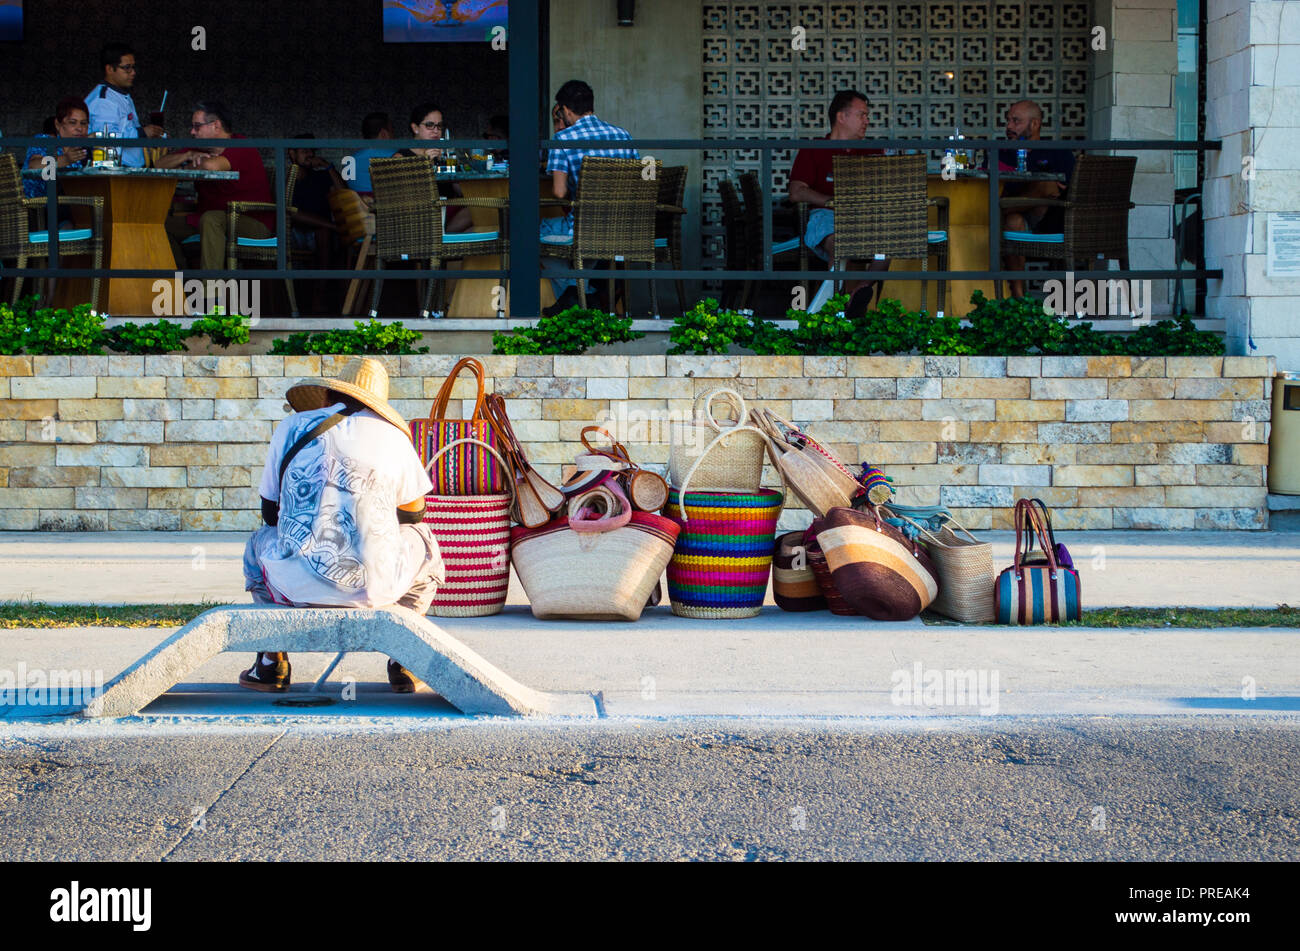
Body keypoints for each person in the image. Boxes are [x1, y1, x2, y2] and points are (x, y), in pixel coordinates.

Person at [240, 357, 445, 694]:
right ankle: (404, 658)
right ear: (379, 404)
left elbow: (270, 514)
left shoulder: (291, 427)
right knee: (424, 542)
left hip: (295, 587)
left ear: (329, 397)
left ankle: (270, 662)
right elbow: (414, 515)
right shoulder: (393, 436)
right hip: (376, 587)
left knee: (258, 543)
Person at [542, 79, 638, 316]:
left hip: (583, 230)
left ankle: (576, 294)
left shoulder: (563, 140)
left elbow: (559, 192)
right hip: (624, 229)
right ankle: (586, 295)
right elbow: (640, 182)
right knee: (585, 245)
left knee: (526, 234)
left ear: (564, 110)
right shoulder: (623, 135)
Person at [787, 89, 886, 318]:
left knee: (886, 248)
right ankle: (836, 309)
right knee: (841, 244)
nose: (867, 121)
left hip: (864, 218)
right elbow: (796, 192)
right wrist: (832, 202)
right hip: (826, 215)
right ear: (842, 117)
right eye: (862, 115)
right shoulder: (814, 149)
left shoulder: (873, 151)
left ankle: (856, 296)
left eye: (867, 116)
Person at [157, 101, 274, 277]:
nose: (192, 132)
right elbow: (159, 164)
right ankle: (181, 288)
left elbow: (212, 166)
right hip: (207, 219)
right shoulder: (197, 148)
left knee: (211, 219)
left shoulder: (241, 145)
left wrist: (185, 168)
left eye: (197, 127)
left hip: (252, 221)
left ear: (216, 126)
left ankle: (212, 298)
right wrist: (188, 155)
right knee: (159, 227)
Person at [1000, 99, 1077, 298]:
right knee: (1013, 219)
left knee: (1047, 185)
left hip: (1053, 222)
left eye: (1016, 121)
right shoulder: (1000, 153)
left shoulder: (1057, 152)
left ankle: (1001, 208)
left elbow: (1072, 190)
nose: (1009, 127)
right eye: (1008, 121)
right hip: (1013, 223)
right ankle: (1019, 297)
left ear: (1034, 124)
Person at [393, 102, 473, 234]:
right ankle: (439, 238)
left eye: (439, 126)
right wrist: (424, 163)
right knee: (481, 211)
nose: (436, 131)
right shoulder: (401, 157)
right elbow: (401, 194)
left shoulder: (442, 155)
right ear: (415, 128)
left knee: (484, 226)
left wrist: (454, 167)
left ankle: (443, 245)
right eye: (430, 125)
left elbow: (460, 190)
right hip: (423, 216)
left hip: (449, 211)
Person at [84, 42, 163, 168]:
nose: (133, 73)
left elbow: (126, 130)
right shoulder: (103, 100)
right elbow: (105, 138)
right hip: (114, 170)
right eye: (127, 68)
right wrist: (142, 133)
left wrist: (150, 135)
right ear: (109, 69)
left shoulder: (121, 95)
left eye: (133, 67)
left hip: (130, 169)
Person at [23, 97, 90, 200]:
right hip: (37, 209)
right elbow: (34, 165)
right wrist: (65, 159)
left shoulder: (84, 150)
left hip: (69, 206)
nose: (79, 128)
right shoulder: (44, 140)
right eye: (72, 122)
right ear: (58, 124)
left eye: (83, 123)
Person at [346, 111, 394, 199]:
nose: (394, 136)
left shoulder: (350, 161)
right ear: (384, 134)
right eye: (392, 131)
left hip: (359, 211)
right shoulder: (397, 155)